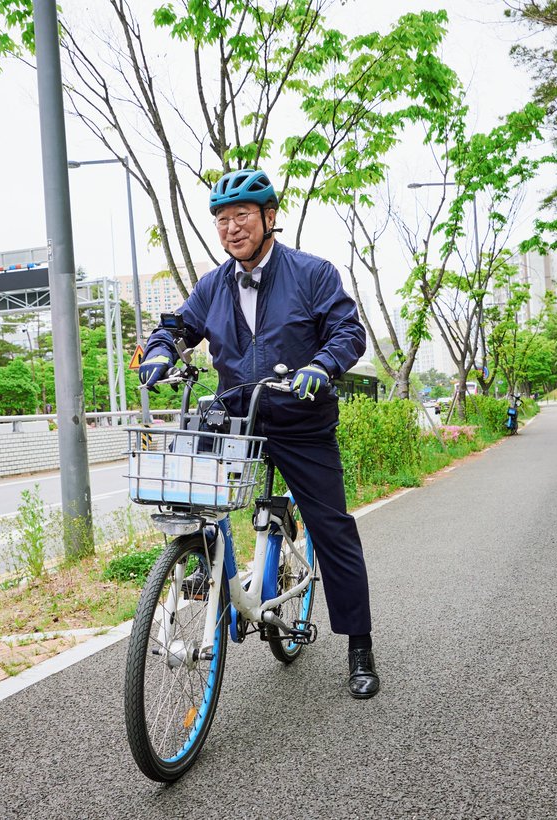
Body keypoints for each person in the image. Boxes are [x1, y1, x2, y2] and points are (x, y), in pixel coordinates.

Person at [138, 168, 379, 699]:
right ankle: (203, 563)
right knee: (187, 489)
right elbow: (177, 326)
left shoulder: (312, 273)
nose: (231, 228)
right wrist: (160, 350)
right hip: (237, 420)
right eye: (222, 219)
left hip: (300, 418)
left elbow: (347, 330)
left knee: (332, 528)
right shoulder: (213, 285)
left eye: (242, 215)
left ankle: (359, 645)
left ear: (269, 217)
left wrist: (323, 364)